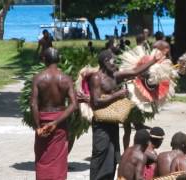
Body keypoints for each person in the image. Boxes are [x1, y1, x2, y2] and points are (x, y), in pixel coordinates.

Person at [89, 47, 167, 180]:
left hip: (113, 122)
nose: (115, 64)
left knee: (112, 157)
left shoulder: (114, 76)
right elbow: (96, 102)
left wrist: (153, 60)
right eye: (113, 61)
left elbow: (135, 71)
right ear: (106, 61)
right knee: (100, 155)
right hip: (101, 126)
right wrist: (117, 95)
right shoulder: (96, 78)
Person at [31, 47, 78, 180]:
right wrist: (56, 122)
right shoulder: (66, 79)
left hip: (43, 121)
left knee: (43, 157)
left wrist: (38, 127)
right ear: (59, 59)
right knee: (58, 160)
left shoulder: (38, 78)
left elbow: (33, 104)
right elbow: (74, 104)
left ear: (44, 59)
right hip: (60, 122)